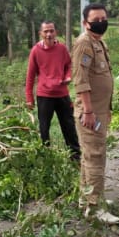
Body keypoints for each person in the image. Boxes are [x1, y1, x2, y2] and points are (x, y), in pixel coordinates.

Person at [71, 3, 119, 223]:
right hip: (90, 113)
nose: (101, 22)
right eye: (96, 19)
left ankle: (86, 197)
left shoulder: (99, 43)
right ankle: (94, 207)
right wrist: (89, 111)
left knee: (89, 156)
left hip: (100, 111)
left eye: (103, 18)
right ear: (85, 23)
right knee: (95, 157)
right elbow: (80, 80)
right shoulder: (84, 43)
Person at [25, 20, 81, 164]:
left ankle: (75, 157)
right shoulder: (36, 51)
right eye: (46, 31)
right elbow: (30, 76)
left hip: (62, 94)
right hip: (44, 96)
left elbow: (68, 65)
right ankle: (46, 157)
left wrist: (68, 76)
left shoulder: (62, 49)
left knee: (69, 126)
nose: (49, 34)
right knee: (44, 128)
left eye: (51, 31)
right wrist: (29, 98)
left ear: (55, 32)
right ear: (41, 33)